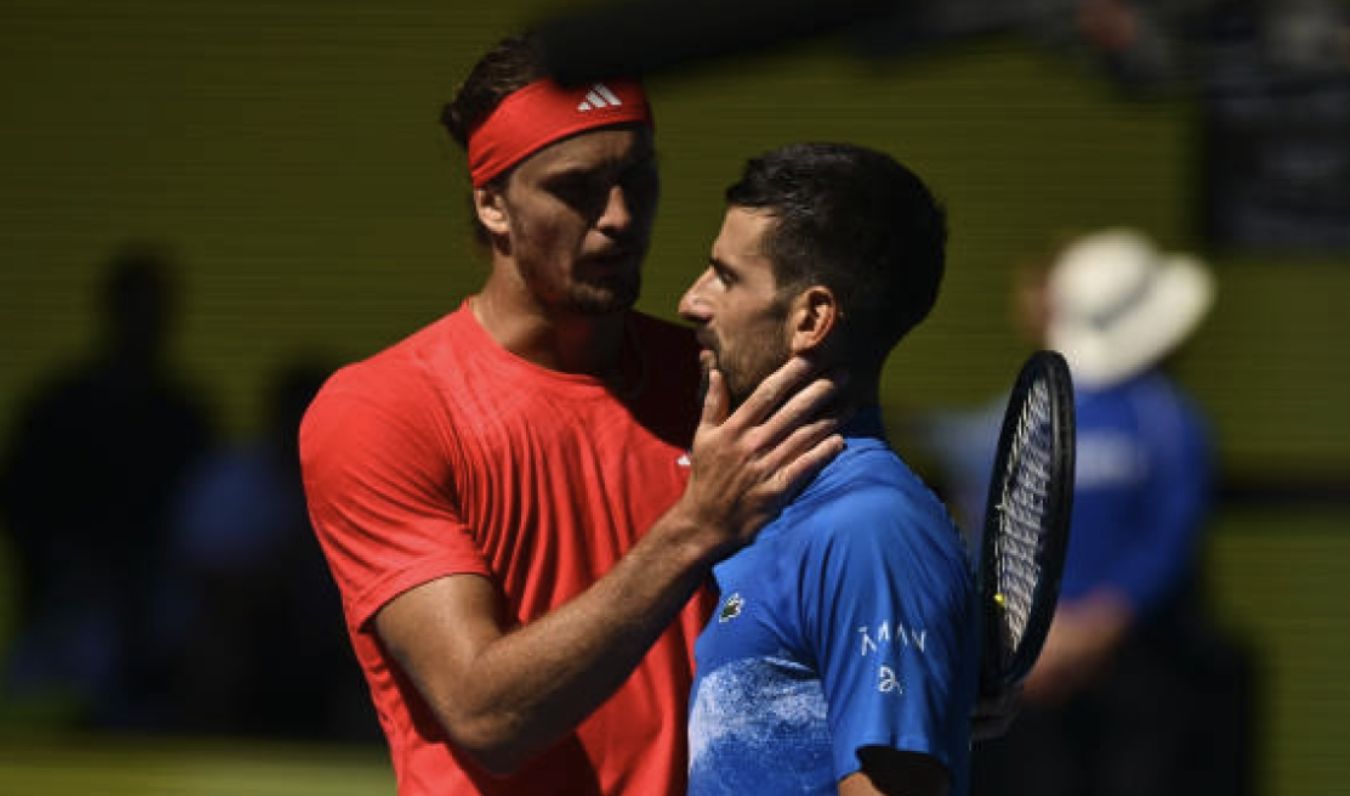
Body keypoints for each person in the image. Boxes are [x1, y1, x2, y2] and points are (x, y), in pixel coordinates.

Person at [298, 33, 845, 796]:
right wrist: (694, 527)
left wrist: (904, 667)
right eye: (577, 189)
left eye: (637, 180)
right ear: (493, 204)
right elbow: (488, 717)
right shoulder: (382, 410)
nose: (619, 217)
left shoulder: (718, 379)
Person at [679, 143, 978, 796]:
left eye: (725, 277)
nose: (690, 301)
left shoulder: (870, 531)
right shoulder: (769, 514)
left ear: (810, 319)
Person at [969, 229, 1257, 796]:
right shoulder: (1165, 417)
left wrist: (1055, 638)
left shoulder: (1040, 410)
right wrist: (1079, 635)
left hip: (1068, 665)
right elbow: (1167, 535)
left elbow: (997, 532)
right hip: (1106, 673)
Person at [0, 243, 214, 728]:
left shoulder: (185, 416)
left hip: (161, 606)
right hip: (68, 602)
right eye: (136, 309)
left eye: (155, 311)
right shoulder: (59, 407)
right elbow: (21, 503)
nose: (146, 324)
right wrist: (70, 567)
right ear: (110, 311)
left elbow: (204, 518)